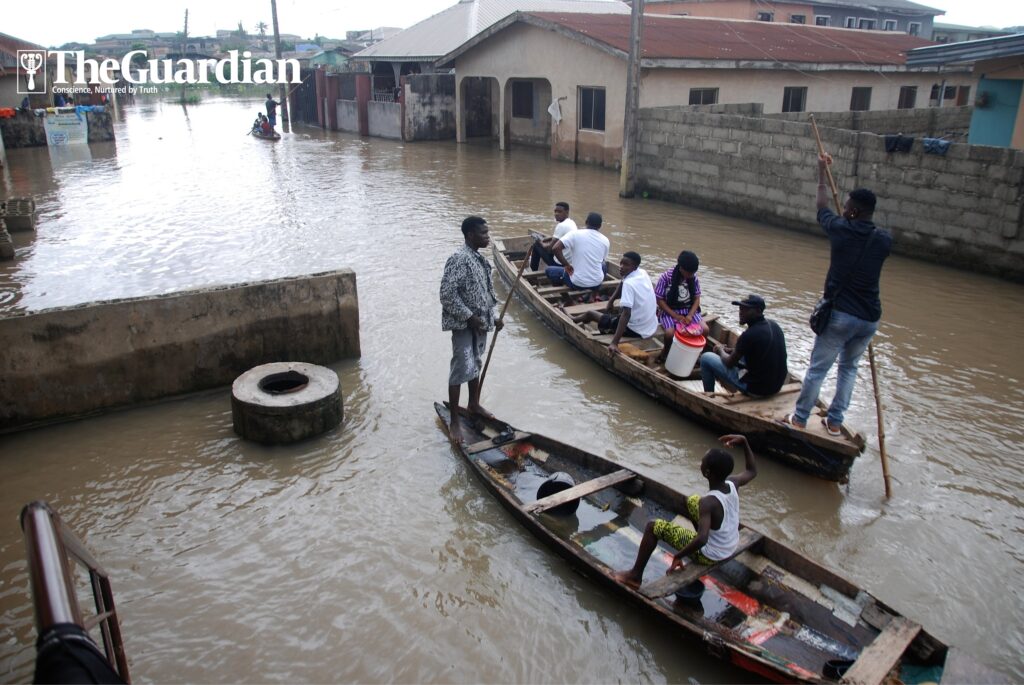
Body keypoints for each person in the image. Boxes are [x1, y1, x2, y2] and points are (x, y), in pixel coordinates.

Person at [783, 155, 892, 435]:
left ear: (854, 211)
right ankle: (834, 423)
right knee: (849, 369)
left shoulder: (841, 230)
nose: (842, 209)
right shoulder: (883, 240)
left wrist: (822, 172)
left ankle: (799, 418)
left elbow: (821, 206)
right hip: (869, 318)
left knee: (818, 369)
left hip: (841, 315)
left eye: (846, 207)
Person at [613, 434, 757, 587]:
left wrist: (678, 556)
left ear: (707, 473)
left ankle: (635, 576)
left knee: (653, 527)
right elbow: (752, 471)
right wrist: (745, 441)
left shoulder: (708, 503)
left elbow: (702, 539)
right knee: (692, 500)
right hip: (730, 543)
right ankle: (696, 536)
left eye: (703, 462)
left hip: (710, 554)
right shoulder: (733, 482)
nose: (700, 462)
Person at [440, 216, 503, 444]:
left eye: (487, 233)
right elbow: (447, 295)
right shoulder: (458, 259)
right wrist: (469, 317)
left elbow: (484, 294)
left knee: (475, 363)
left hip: (481, 324)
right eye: (483, 234)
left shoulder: (478, 259)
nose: (487, 237)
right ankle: (455, 420)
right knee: (461, 367)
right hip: (464, 325)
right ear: (470, 235)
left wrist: (493, 318)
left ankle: (474, 403)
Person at [570, 251, 658, 354]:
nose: (621, 267)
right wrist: (611, 301)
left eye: (626, 264)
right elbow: (622, 281)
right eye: (621, 263)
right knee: (617, 312)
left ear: (635, 267)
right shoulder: (642, 272)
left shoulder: (629, 284)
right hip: (651, 326)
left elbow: (626, 314)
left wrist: (614, 343)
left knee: (590, 314)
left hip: (635, 330)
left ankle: (572, 319)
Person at [699, 295, 787, 396]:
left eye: (746, 309)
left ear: (758, 311)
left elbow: (729, 363)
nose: (741, 312)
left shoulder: (749, 335)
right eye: (740, 308)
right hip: (776, 386)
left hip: (757, 390)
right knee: (739, 354)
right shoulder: (774, 325)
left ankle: (709, 396)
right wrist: (730, 350)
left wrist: (720, 350)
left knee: (706, 358)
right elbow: (751, 349)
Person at [654, 250, 707, 361]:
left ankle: (696, 354)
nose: (691, 275)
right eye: (689, 273)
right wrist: (675, 316)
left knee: (705, 329)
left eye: (692, 273)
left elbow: (697, 298)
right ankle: (666, 352)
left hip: (688, 310)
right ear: (681, 268)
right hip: (670, 311)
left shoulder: (694, 277)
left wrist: (690, 315)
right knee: (669, 334)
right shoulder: (666, 277)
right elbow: (659, 300)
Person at [548, 212, 609, 292]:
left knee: (549, 270)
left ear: (586, 222)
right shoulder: (605, 240)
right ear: (600, 226)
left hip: (577, 283)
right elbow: (602, 260)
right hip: (597, 283)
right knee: (604, 265)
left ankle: (568, 299)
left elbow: (555, 248)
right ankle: (594, 294)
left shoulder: (575, 234)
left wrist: (567, 265)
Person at [530, 202, 578, 271]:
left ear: (567, 212)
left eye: (559, 212)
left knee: (536, 245)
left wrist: (540, 242)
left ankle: (533, 272)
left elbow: (550, 250)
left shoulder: (561, 226)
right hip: (571, 262)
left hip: (560, 264)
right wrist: (545, 240)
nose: (556, 214)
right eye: (555, 211)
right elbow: (557, 238)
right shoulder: (571, 223)